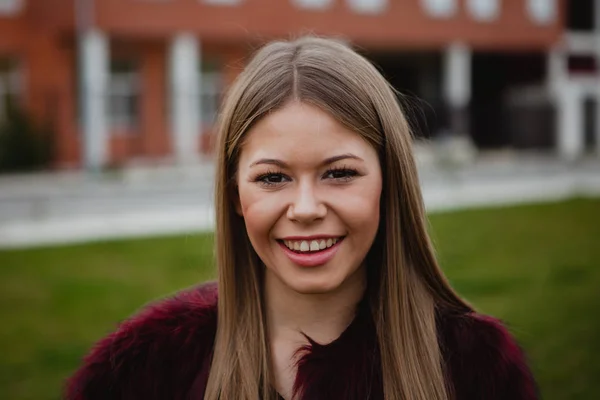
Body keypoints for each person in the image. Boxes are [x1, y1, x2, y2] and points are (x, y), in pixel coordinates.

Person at [65, 36, 538, 400]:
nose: (307, 209)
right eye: (273, 178)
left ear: (388, 183)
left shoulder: (476, 367)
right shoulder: (146, 367)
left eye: (339, 173)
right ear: (235, 195)